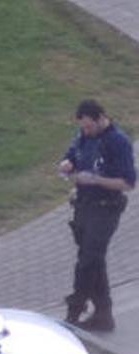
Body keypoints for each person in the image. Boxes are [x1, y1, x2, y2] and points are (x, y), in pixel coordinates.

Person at [57, 99, 135, 331]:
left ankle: (75, 308)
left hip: (105, 208)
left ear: (101, 118)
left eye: (89, 126)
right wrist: (67, 164)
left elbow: (128, 183)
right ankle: (103, 315)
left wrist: (95, 180)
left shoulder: (118, 142)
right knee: (94, 260)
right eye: (83, 127)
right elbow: (72, 154)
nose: (86, 131)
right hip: (83, 205)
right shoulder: (83, 135)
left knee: (88, 261)